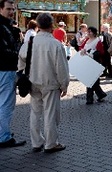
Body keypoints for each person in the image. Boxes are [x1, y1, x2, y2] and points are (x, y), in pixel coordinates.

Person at [18, 13, 70, 153]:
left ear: (38, 25)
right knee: (50, 114)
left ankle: (36, 142)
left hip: (33, 82)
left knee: (35, 113)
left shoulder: (30, 43)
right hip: (50, 83)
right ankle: (51, 143)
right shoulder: (56, 44)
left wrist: (24, 72)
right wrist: (64, 85)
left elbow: (21, 60)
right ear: (51, 25)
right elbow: (61, 68)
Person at [0, 0, 26, 148]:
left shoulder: (8, 26)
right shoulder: (3, 27)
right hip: (5, 69)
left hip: (6, 68)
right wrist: (18, 53)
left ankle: (3, 132)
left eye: (12, 9)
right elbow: (5, 51)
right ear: (1, 9)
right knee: (6, 104)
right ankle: (4, 137)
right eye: (8, 9)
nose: (11, 12)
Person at [79, 26, 107, 105]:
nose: (88, 33)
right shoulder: (87, 40)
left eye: (90, 32)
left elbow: (101, 52)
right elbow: (81, 47)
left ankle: (90, 99)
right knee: (92, 81)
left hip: (95, 62)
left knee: (91, 81)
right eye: (88, 32)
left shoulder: (98, 41)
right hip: (87, 62)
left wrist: (92, 54)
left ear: (94, 33)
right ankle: (100, 94)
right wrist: (82, 51)